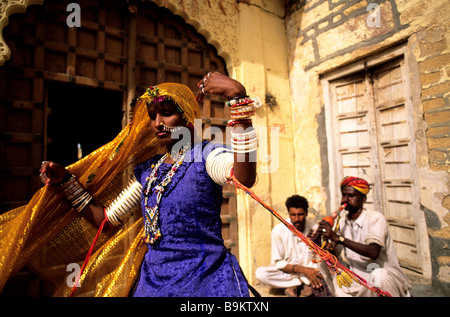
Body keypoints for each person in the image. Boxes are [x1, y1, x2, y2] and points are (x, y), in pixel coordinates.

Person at [0, 72, 258, 297]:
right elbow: (107, 220)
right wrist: (67, 182)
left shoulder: (207, 156)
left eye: (166, 114)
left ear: (188, 119)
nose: (157, 123)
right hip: (153, 282)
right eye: (153, 115)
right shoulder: (151, 171)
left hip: (205, 279)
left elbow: (243, 178)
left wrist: (238, 100)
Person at [314, 176, 411, 297]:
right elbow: (333, 255)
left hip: (382, 279)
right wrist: (318, 240)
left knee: (379, 276)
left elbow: (373, 252)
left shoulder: (375, 219)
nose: (345, 200)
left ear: (363, 199)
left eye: (351, 196)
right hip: (358, 281)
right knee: (323, 263)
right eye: (344, 195)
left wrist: (338, 239)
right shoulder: (342, 222)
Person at [255, 195, 326, 297]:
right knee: (261, 274)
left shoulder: (314, 228)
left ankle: (294, 285)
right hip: (289, 272)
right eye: (293, 215)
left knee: (329, 268)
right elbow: (278, 263)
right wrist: (305, 271)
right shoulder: (278, 231)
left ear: (306, 213)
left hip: (312, 269)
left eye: (300, 214)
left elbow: (320, 256)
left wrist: (309, 270)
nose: (296, 219)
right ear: (289, 214)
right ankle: (304, 282)